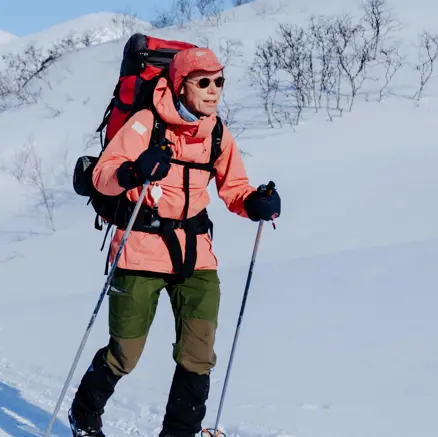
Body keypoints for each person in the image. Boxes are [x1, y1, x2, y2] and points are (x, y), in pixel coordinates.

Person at [67, 47, 281, 437]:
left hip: (195, 254)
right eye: (204, 82)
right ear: (181, 86)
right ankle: (83, 414)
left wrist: (255, 203)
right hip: (140, 250)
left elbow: (233, 187)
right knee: (124, 354)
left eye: (219, 82)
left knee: (198, 355)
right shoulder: (144, 124)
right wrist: (134, 170)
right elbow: (103, 176)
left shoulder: (216, 131)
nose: (214, 90)